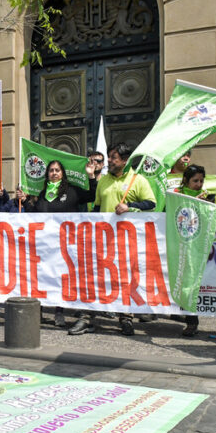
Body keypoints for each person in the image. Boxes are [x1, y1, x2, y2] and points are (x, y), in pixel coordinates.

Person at [69, 142, 156, 336]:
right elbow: (98, 207)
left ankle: (125, 318)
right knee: (95, 278)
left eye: (113, 158)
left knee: (124, 279)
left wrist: (130, 206)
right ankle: (87, 317)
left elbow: (151, 203)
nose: (109, 161)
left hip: (125, 241)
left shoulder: (138, 180)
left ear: (125, 161)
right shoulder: (104, 181)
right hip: (102, 239)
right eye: (109, 157)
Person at [33, 159, 98, 327]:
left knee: (60, 278)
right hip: (45, 245)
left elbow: (92, 196)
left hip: (65, 246)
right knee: (43, 277)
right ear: (47, 174)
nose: (54, 173)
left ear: (63, 174)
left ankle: (59, 312)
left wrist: (91, 176)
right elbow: (35, 213)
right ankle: (38, 311)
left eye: (57, 170)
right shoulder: (42, 193)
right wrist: (25, 199)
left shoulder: (72, 192)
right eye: (51, 170)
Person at [173, 165, 216, 336]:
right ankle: (191, 322)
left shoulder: (208, 195)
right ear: (185, 180)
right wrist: (194, 204)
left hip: (207, 247)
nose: (199, 184)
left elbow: (214, 218)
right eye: (195, 181)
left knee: (213, 283)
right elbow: (174, 215)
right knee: (189, 285)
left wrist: (208, 205)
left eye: (201, 181)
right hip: (186, 248)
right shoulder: (176, 195)